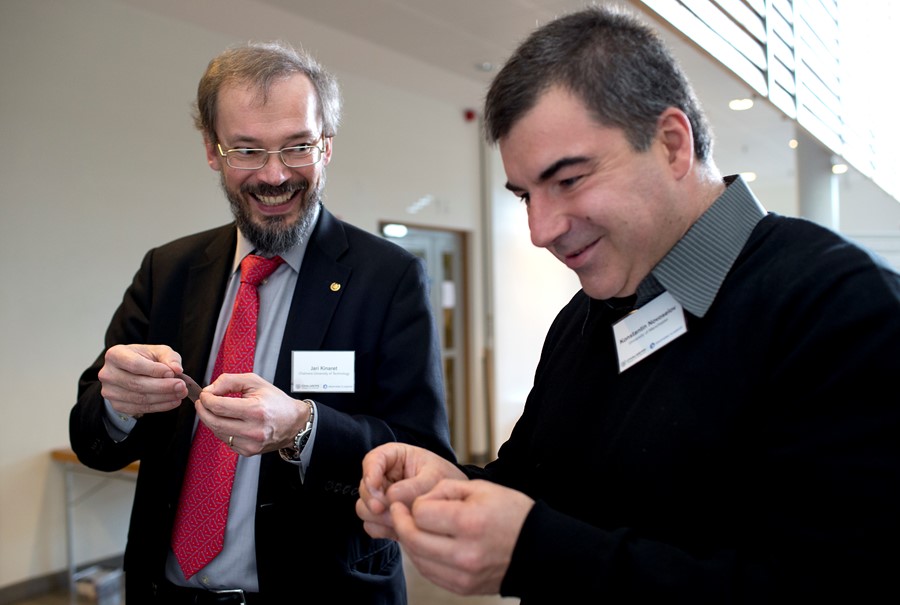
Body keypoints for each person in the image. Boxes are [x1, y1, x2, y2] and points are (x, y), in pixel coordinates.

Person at [356, 5, 900, 603]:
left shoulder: (841, 307)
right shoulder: (587, 316)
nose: (540, 229)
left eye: (568, 180)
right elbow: (537, 487)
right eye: (524, 196)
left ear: (672, 145)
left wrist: (536, 553)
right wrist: (451, 486)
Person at [70, 40, 455, 605]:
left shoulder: (388, 278)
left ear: (326, 147)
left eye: (296, 146)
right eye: (246, 150)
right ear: (212, 150)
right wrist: (118, 404)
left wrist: (304, 427)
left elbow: (423, 454)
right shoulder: (168, 270)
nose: (274, 176)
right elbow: (92, 442)